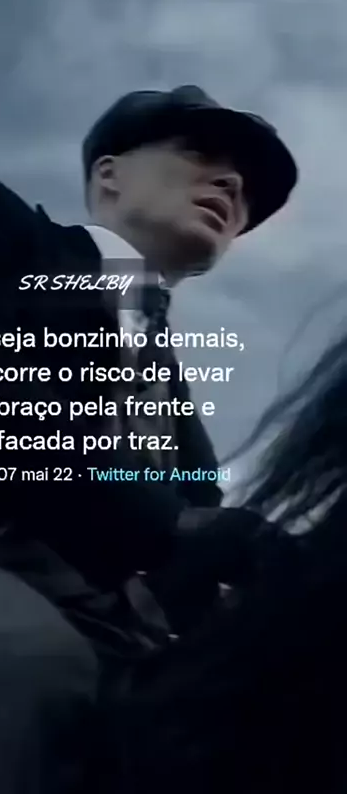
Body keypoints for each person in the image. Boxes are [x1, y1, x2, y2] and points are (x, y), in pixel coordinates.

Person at [0, 85, 297, 793]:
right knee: (29, 660)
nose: (231, 185)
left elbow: (196, 547)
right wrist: (169, 526)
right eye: (200, 152)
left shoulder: (176, 400)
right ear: (109, 175)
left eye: (245, 188)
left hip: (127, 624)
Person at [101, 330, 347, 794]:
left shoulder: (153, 343)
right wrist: (176, 524)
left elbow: (199, 476)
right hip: (27, 556)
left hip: (143, 584)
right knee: (27, 665)